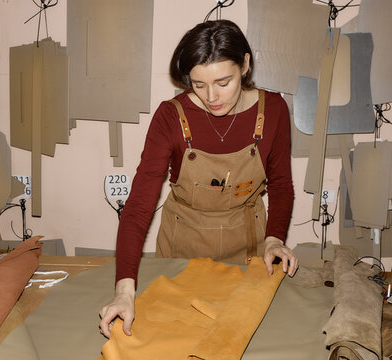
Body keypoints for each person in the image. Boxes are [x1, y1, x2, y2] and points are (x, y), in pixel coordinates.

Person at [99, 19, 298, 338]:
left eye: (223, 82)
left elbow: (281, 185)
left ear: (245, 65)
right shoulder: (170, 116)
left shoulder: (272, 109)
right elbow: (138, 206)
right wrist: (124, 290)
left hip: (247, 247)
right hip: (182, 248)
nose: (212, 97)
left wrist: (274, 238)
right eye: (198, 84)